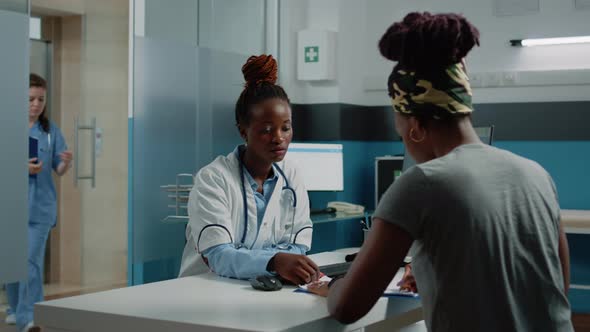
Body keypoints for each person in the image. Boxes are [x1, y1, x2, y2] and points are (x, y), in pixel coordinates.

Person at [308, 12, 573, 332]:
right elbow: (556, 287)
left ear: (416, 127)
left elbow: (348, 307)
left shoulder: (421, 183)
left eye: (400, 132)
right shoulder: (537, 174)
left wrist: (333, 286)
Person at [178, 54, 320, 286]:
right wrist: (274, 261)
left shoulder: (291, 175)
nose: (279, 138)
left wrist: (284, 262)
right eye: (266, 130)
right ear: (243, 131)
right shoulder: (213, 179)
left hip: (261, 287)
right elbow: (219, 256)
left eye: (286, 128)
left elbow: (299, 244)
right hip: (205, 288)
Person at [5, 73, 73, 332]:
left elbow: (58, 167)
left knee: (29, 262)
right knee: (11, 260)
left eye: (41, 99)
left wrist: (65, 162)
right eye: (31, 99)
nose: (36, 104)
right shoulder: (8, 128)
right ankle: (14, 308)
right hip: (11, 208)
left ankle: (30, 316)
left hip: (40, 208)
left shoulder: (49, 131)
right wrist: (21, 167)